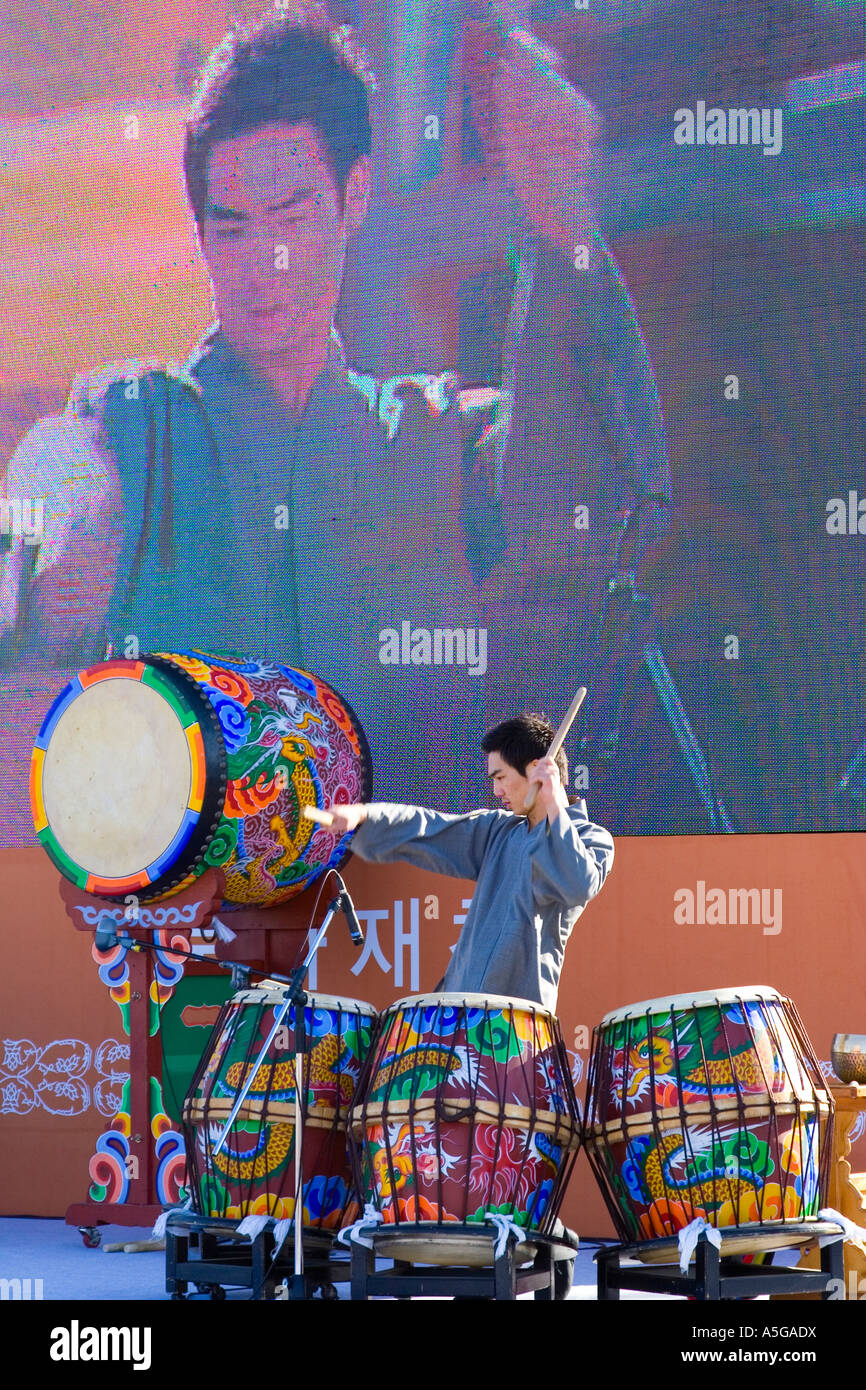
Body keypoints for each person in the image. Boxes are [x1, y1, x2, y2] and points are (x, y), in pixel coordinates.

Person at [325, 711, 615, 1011]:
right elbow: (431, 827)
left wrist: (554, 803)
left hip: (520, 1021)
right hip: (460, 1011)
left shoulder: (590, 838)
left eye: (501, 777)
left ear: (536, 771)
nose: (496, 790)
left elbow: (578, 884)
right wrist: (363, 816)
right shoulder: (496, 831)